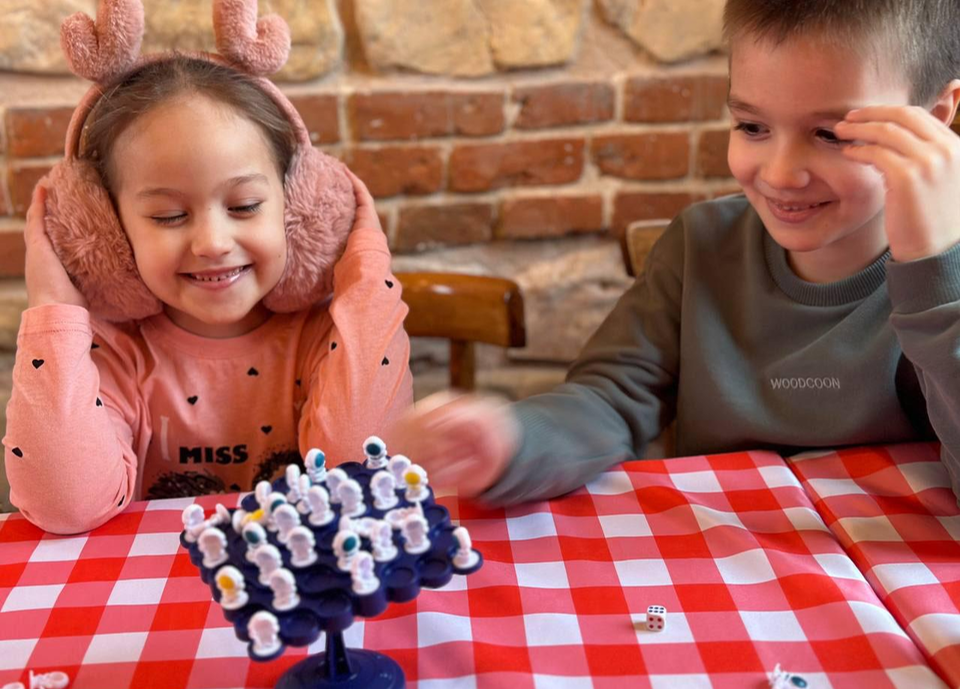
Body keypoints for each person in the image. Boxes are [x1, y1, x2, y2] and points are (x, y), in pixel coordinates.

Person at [388, 0, 960, 505]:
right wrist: (512, 441)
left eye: (831, 134)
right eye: (752, 126)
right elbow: (612, 400)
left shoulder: (947, 273)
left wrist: (934, 276)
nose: (781, 174)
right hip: (719, 565)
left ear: (935, 121)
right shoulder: (699, 243)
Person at [3, 4, 412, 534]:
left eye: (244, 207)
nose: (214, 243)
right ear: (103, 227)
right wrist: (54, 307)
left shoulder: (327, 337)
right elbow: (64, 505)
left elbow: (360, 479)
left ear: (304, 208)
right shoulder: (109, 354)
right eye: (170, 215)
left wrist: (363, 274)